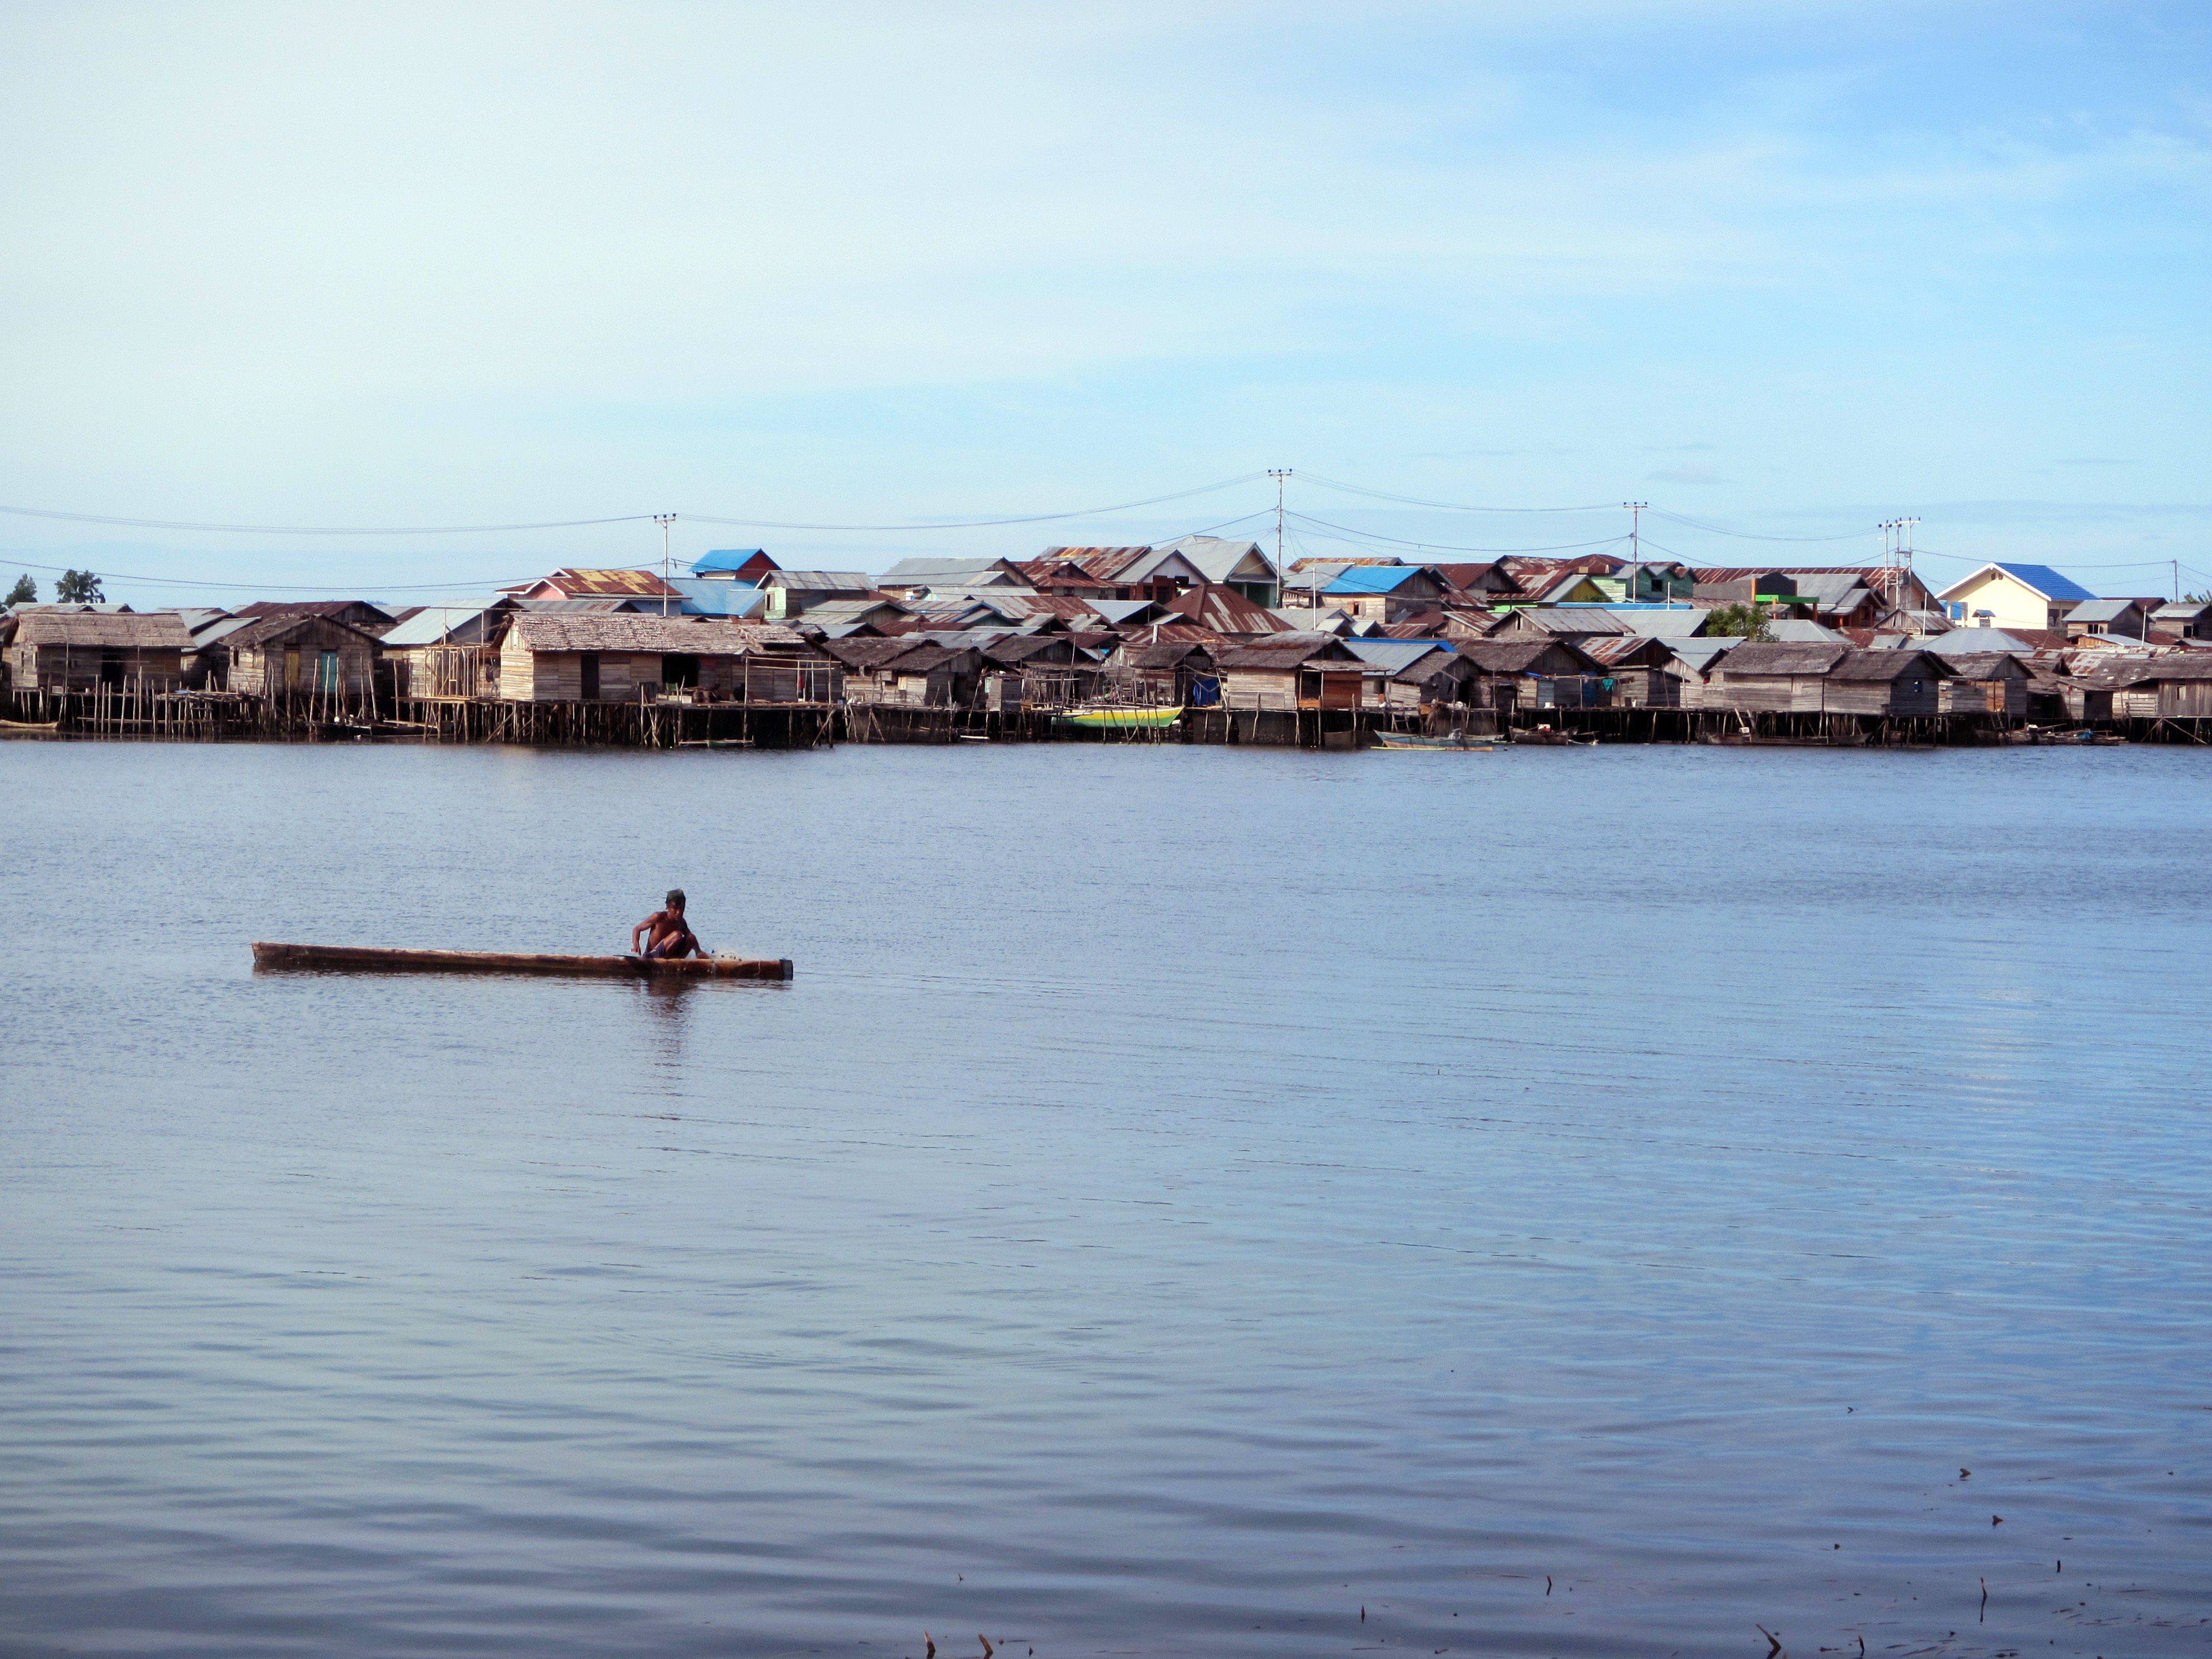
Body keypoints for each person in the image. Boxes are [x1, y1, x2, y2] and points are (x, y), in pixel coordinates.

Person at [630, 889, 708, 960]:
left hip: (671, 956)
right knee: (677, 935)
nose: (679, 912)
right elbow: (637, 929)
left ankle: (676, 962)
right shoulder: (658, 917)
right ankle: (666, 961)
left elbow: (691, 938)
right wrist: (636, 945)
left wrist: (699, 952)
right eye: (675, 908)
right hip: (652, 956)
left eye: (682, 908)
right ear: (668, 907)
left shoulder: (681, 922)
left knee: (691, 937)